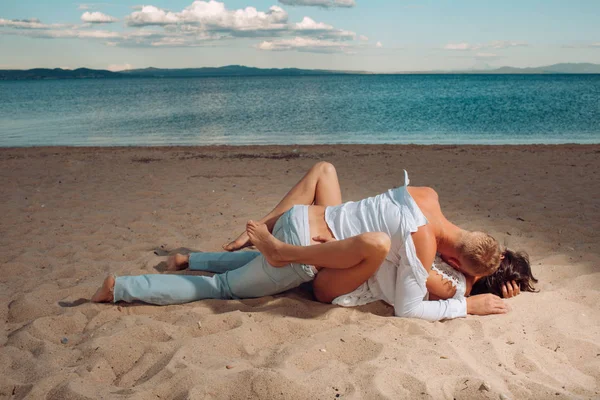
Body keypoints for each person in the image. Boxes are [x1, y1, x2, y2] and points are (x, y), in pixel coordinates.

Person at [93, 162, 514, 320]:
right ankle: (122, 287)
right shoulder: (422, 247)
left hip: (302, 216)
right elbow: (408, 308)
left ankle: (191, 258)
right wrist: (465, 302)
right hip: (301, 255)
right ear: (456, 263)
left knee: (326, 172)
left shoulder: (429, 195)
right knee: (221, 289)